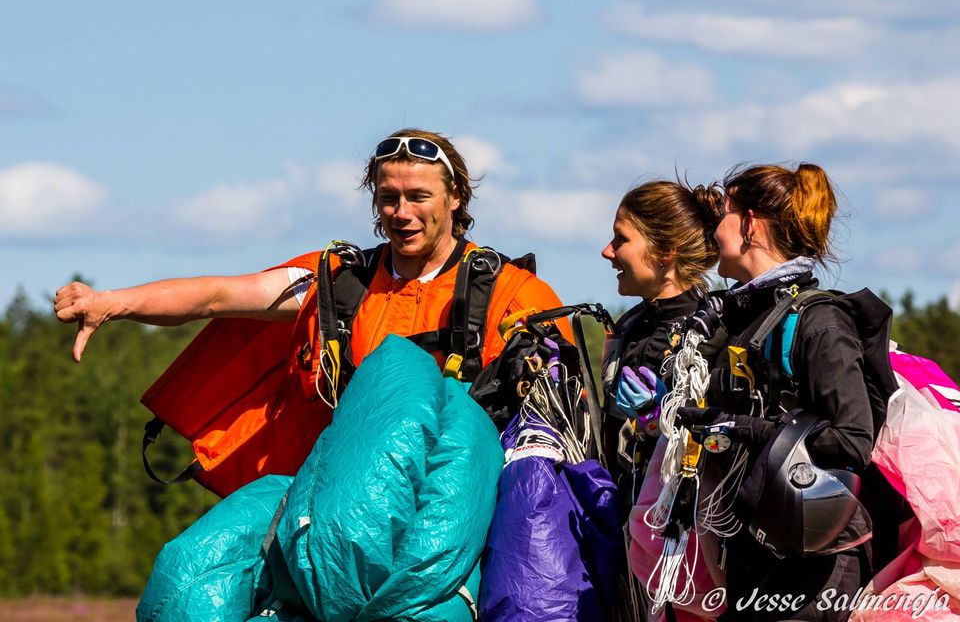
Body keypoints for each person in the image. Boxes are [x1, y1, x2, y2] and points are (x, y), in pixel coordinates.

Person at [53, 128, 568, 495]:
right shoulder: (339, 282)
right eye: (388, 197)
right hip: (350, 492)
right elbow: (218, 296)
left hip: (461, 501)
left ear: (455, 197)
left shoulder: (510, 293)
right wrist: (114, 302)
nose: (402, 213)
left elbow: (561, 418)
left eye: (419, 197)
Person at [677, 163, 895, 622]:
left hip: (815, 565)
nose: (714, 231)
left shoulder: (820, 322)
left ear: (750, 224)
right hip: (757, 549)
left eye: (724, 215)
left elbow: (853, 439)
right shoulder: (747, 317)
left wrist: (742, 427)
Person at [600, 179, 723, 514]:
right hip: (623, 514)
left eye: (621, 239)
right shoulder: (630, 325)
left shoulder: (710, 334)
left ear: (665, 253)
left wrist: (662, 421)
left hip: (679, 520)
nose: (608, 251)